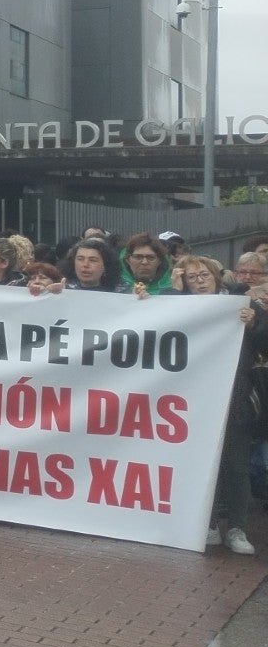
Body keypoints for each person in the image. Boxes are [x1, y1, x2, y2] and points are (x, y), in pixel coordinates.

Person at [180, 255, 259, 554]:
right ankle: (209, 523)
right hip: (195, 403)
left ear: (216, 277)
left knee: (237, 466)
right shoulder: (178, 307)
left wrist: (254, 324)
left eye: (204, 275)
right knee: (201, 465)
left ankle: (237, 527)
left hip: (233, 399)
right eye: (192, 277)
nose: (199, 281)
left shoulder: (243, 306)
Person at [122, 233, 174, 297]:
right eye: (138, 257)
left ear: (160, 261)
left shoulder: (174, 288)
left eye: (151, 257)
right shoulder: (114, 288)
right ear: (128, 260)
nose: (144, 262)